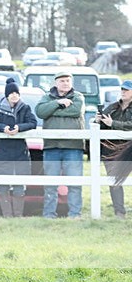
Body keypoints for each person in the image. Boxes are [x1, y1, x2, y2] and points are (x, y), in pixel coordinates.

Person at [0, 78, 37, 217]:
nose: (14, 96)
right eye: (12, 93)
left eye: (16, 93)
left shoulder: (25, 108)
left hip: (19, 151)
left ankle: (18, 215)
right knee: (3, 185)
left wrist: (20, 128)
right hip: (1, 151)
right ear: (7, 95)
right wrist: (3, 128)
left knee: (19, 185)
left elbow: (33, 122)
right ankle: (7, 215)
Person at [35, 71, 85, 219]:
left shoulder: (78, 97)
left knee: (74, 183)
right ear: (56, 83)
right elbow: (40, 112)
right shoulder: (46, 97)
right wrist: (58, 103)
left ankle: (74, 214)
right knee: (51, 183)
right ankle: (49, 214)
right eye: (62, 81)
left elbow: (76, 111)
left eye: (67, 81)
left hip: (73, 146)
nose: (65, 83)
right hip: (52, 146)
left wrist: (52, 111)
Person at [97, 79, 132, 219]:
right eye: (122, 89)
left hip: (128, 148)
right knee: (114, 181)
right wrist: (98, 121)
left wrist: (114, 123)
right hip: (111, 150)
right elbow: (103, 126)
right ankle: (119, 212)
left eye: (126, 89)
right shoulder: (112, 107)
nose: (123, 92)